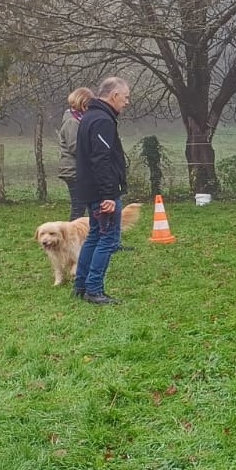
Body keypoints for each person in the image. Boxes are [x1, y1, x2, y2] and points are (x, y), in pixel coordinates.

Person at [73, 77, 131, 304]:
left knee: (94, 235)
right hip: (102, 193)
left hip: (89, 188)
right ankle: (94, 289)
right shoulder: (102, 121)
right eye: (125, 97)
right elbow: (100, 159)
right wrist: (108, 195)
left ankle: (80, 286)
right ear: (114, 95)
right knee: (108, 239)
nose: (127, 102)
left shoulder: (90, 116)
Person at [57, 87, 94, 221]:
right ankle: (71, 232)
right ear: (82, 103)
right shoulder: (72, 121)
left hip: (79, 169)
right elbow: (75, 146)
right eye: (89, 104)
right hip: (73, 170)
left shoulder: (79, 119)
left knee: (84, 205)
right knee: (79, 207)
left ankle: (83, 231)